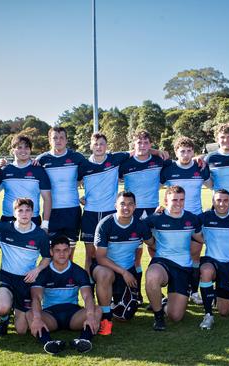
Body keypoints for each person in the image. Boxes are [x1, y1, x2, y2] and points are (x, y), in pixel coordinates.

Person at [0, 198, 51, 336]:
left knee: (21, 330)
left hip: (26, 281)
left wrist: (37, 269)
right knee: (2, 308)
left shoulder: (40, 234)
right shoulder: (5, 228)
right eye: (20, 210)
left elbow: (47, 257)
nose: (24, 214)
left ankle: (16, 309)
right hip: (6, 277)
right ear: (14, 213)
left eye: (28, 210)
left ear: (33, 213)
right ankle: (4, 320)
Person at [26, 235, 101, 355]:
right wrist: (37, 318)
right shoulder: (42, 273)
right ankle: (50, 343)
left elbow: (87, 296)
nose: (62, 254)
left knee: (96, 310)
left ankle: (83, 340)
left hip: (74, 315)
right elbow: (36, 297)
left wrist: (91, 315)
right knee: (30, 314)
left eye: (65, 250)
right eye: (57, 250)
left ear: (70, 251)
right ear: (51, 252)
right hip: (51, 316)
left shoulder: (79, 272)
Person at [92, 191, 152, 335]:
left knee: (125, 316)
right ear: (116, 206)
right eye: (122, 204)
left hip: (128, 270)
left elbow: (153, 244)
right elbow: (100, 258)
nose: (126, 207)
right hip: (107, 268)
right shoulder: (106, 224)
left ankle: (109, 304)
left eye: (130, 204)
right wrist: (123, 272)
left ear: (135, 206)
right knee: (105, 274)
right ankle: (106, 319)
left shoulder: (140, 225)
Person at [144, 186, 203, 331]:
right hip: (162, 261)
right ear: (165, 200)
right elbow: (142, 231)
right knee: (152, 276)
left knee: (176, 316)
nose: (178, 203)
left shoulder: (192, 219)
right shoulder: (154, 219)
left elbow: (201, 238)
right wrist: (152, 244)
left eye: (182, 199)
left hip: (183, 267)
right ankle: (158, 317)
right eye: (174, 200)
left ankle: (163, 304)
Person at [160, 136, 210, 304]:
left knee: (195, 256)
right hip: (175, 221)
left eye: (189, 151)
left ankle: (193, 291)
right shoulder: (168, 169)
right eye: (182, 151)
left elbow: (211, 184)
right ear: (176, 152)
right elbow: (156, 187)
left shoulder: (200, 167)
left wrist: (203, 158)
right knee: (175, 256)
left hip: (196, 218)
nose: (186, 154)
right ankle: (173, 292)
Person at [79, 133, 132, 272]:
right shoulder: (84, 165)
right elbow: (73, 181)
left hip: (110, 213)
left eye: (102, 143)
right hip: (90, 213)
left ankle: (112, 287)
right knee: (90, 255)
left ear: (106, 146)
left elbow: (138, 151)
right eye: (95, 144)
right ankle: (89, 287)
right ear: (91, 146)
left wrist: (157, 152)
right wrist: (79, 197)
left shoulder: (115, 159)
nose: (99, 147)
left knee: (109, 254)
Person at [197, 189, 229, 330]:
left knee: (224, 312)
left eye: (225, 200)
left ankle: (215, 295)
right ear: (213, 202)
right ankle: (208, 314)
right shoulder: (204, 217)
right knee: (205, 271)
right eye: (218, 200)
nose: (222, 204)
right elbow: (186, 224)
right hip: (210, 260)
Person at [37, 126, 89, 252]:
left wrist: (87, 195)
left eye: (61, 138)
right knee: (51, 252)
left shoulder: (77, 158)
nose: (58, 140)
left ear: (66, 140)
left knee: (68, 252)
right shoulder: (41, 160)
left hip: (72, 211)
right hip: (51, 212)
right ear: (49, 140)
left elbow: (90, 176)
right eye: (55, 137)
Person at [0, 134, 51, 226]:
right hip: (8, 219)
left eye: (26, 147)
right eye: (19, 147)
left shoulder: (38, 170)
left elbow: (47, 199)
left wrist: (45, 224)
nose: (23, 150)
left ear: (30, 150)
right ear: (13, 150)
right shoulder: (5, 170)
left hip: (32, 219)